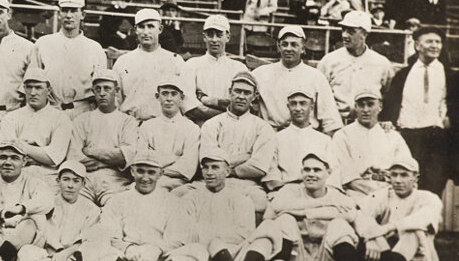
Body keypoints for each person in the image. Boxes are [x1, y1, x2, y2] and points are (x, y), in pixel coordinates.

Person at [81, 151, 207, 261]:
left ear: (160, 174)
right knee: (92, 248)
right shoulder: (117, 200)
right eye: (140, 171)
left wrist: (156, 249)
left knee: (195, 253)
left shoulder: (173, 202)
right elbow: (109, 234)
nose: (145, 177)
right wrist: (128, 249)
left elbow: (177, 239)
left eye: (151, 172)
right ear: (132, 171)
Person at [180, 150, 281, 261]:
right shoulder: (190, 199)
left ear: (227, 171)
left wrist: (210, 235)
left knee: (268, 230)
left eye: (215, 167)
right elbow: (186, 233)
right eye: (205, 167)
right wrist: (213, 238)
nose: (209, 172)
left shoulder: (242, 200)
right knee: (210, 239)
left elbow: (244, 235)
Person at [264, 151, 360, 261]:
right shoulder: (290, 190)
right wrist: (321, 205)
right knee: (285, 219)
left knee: (339, 225)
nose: (311, 174)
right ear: (301, 172)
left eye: (317, 170)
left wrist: (304, 213)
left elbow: (349, 213)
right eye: (307, 170)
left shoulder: (336, 194)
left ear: (328, 173)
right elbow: (275, 208)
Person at [382, 26, 459, 196]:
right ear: (418, 45)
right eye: (429, 41)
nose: (435, 45)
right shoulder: (403, 75)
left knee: (432, 190)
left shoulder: (451, 75)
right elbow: (390, 105)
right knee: (406, 189)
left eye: (438, 42)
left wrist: (451, 118)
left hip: (438, 139)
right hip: (409, 138)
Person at [357, 158, 443, 261]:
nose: (397, 180)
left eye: (404, 175)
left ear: (416, 178)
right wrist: (372, 238)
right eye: (394, 175)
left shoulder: (428, 198)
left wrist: (388, 228)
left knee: (414, 231)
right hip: (387, 256)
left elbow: (422, 218)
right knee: (376, 230)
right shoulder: (384, 195)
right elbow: (360, 215)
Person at [199, 72, 276, 215]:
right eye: (237, 91)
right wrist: (246, 156)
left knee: (259, 203)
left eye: (247, 93)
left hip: (246, 184)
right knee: (181, 197)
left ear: (254, 97)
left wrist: (224, 167)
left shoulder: (263, 127)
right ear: (230, 93)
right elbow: (207, 158)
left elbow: (258, 166)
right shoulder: (212, 124)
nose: (241, 96)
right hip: (212, 182)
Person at [16, 160, 102, 261]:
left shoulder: (92, 209)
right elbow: (46, 236)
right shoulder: (49, 203)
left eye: (76, 181)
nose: (70, 185)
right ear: (58, 181)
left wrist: (66, 254)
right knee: (25, 253)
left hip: (76, 256)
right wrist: (58, 255)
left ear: (83, 184)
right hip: (51, 257)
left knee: (93, 250)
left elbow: (86, 239)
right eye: (66, 179)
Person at [29, 0, 108, 119]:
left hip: (84, 112)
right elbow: (32, 82)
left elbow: (102, 89)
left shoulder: (95, 48)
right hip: (51, 111)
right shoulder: (43, 44)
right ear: (59, 13)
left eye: (74, 11)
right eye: (65, 10)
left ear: (83, 14)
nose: (69, 15)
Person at [67, 69, 139, 207]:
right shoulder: (81, 120)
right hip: (85, 180)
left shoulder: (128, 121)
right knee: (74, 209)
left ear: (116, 90)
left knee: (116, 210)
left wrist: (91, 151)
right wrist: (111, 158)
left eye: (107, 88)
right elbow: (75, 158)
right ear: (93, 92)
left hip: (114, 180)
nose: (102, 93)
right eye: (98, 89)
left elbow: (125, 157)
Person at [253, 25, 342, 134]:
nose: (288, 49)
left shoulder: (316, 77)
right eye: (284, 44)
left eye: (294, 45)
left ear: (303, 49)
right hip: (269, 135)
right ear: (278, 47)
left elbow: (330, 121)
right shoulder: (260, 73)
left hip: (305, 136)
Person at [112, 8, 194, 123]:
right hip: (129, 125)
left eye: (150, 26)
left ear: (160, 29)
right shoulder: (123, 61)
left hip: (163, 127)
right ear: (135, 30)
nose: (146, 32)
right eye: (141, 27)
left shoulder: (175, 61)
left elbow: (186, 101)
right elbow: (116, 100)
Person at [332, 89, 414, 202]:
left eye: (370, 104)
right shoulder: (343, 135)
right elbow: (348, 178)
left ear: (380, 106)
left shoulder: (392, 136)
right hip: (357, 193)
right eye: (361, 105)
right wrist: (379, 193)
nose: (366, 110)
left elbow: (407, 168)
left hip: (391, 189)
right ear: (355, 107)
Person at [0, 69, 73, 190]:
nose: (33, 92)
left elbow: (54, 158)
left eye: (38, 87)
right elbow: (8, 155)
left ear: (48, 90)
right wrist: (40, 151)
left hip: (48, 176)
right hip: (17, 176)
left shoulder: (61, 119)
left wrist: (22, 146)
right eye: (29, 87)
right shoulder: (11, 117)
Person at [317, 10, 393, 123]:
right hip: (336, 124)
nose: (344, 35)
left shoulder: (381, 63)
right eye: (343, 30)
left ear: (364, 34)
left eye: (351, 31)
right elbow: (318, 95)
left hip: (368, 125)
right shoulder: (329, 61)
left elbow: (388, 95)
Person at [136, 77, 200, 192]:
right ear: (157, 97)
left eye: (174, 94)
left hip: (177, 183)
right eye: (165, 94)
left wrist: (156, 167)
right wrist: (173, 159)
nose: (169, 99)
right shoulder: (147, 126)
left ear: (182, 98)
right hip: (148, 180)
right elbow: (141, 160)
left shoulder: (192, 128)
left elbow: (188, 166)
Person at [182, 14, 248, 124]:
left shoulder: (239, 68)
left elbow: (241, 106)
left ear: (228, 37)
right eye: (210, 35)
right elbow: (189, 107)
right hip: (199, 127)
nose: (214, 40)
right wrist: (226, 113)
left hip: (231, 128)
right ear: (204, 37)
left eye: (219, 35)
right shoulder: (192, 65)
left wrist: (207, 101)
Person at [273, 89, 341, 188]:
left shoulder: (324, 140)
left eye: (303, 103)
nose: (298, 108)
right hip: (287, 190)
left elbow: (333, 173)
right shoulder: (277, 138)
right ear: (288, 107)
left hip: (317, 192)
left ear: (311, 106)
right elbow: (272, 173)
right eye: (293, 104)